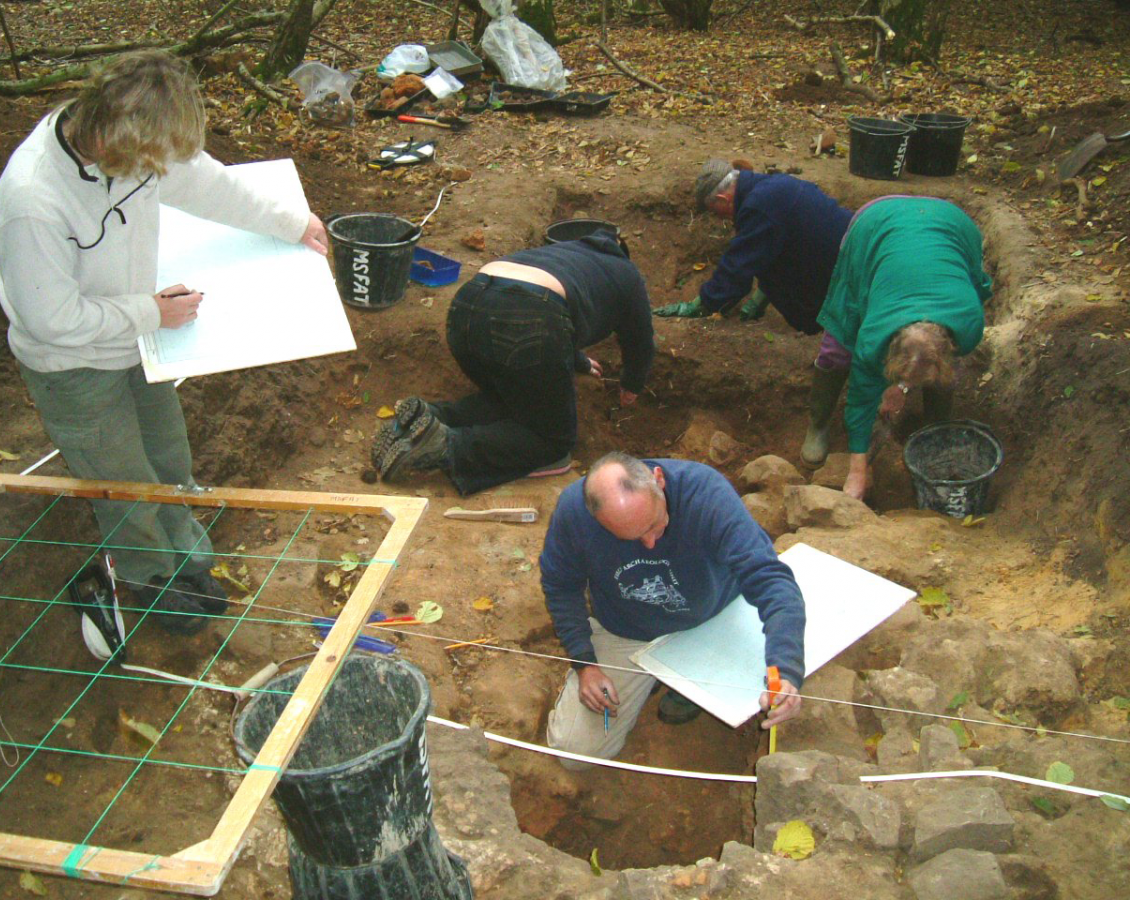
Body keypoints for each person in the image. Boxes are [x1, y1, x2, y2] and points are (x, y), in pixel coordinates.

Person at [0, 50, 329, 634]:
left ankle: (187, 562)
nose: (161, 170)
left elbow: (210, 185)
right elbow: (51, 319)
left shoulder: (137, 143)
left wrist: (292, 222)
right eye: (152, 162)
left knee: (168, 455)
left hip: (136, 342)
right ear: (118, 143)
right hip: (71, 364)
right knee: (122, 480)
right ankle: (149, 582)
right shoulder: (31, 203)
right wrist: (150, 311)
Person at [539, 452, 805, 770]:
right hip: (627, 630)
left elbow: (770, 579)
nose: (650, 543)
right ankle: (654, 674)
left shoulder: (705, 494)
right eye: (633, 537)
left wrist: (786, 669)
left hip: (714, 617)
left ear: (659, 480)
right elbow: (561, 586)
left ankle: (687, 677)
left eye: (655, 524)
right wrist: (585, 663)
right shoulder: (574, 512)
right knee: (573, 754)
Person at [372, 234, 655, 496]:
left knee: (513, 401)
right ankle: (446, 445)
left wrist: (578, 362)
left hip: (467, 306)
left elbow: (566, 305)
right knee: (553, 440)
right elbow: (640, 339)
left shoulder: (565, 254)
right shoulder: (627, 274)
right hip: (528, 315)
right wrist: (632, 385)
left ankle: (429, 417)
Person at [808, 196, 992, 498]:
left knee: (944, 380)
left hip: (951, 224)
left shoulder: (969, 326)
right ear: (889, 350)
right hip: (875, 224)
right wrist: (858, 469)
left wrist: (900, 389)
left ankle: (936, 433)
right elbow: (861, 397)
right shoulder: (874, 336)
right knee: (840, 345)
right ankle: (817, 424)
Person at [653, 159, 853, 332]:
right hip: (846, 251)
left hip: (849, 271)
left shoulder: (759, 207)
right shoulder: (767, 187)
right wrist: (762, 296)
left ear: (723, 199)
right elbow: (777, 249)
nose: (721, 218)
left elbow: (737, 268)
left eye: (716, 212)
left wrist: (700, 306)